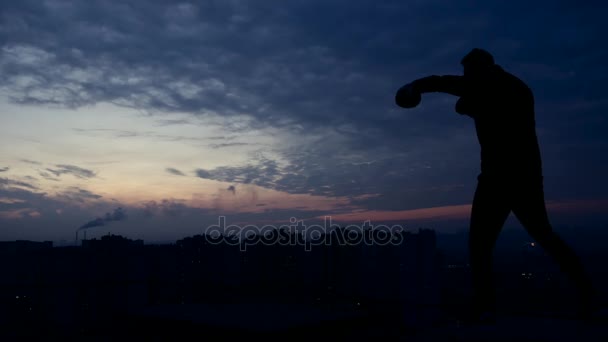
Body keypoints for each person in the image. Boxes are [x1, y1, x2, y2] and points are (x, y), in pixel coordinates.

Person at [395, 48, 597, 323]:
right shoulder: (514, 87)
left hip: (503, 178)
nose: (465, 77)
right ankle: (586, 294)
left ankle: (484, 304)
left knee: (483, 244)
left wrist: (416, 86)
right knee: (537, 237)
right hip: (519, 176)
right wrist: (425, 88)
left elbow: (451, 91)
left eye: (468, 73)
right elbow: (454, 90)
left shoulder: (494, 87)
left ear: (480, 69)